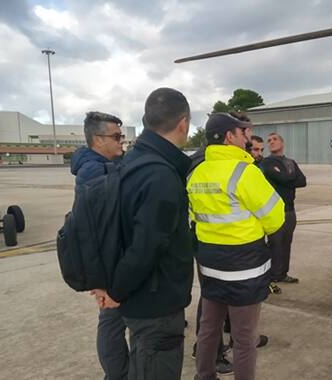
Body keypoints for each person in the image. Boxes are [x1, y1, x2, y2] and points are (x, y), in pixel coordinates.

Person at [94, 87, 195, 380]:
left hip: (140, 302)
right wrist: (116, 291)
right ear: (183, 123)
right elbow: (145, 247)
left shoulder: (132, 161)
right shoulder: (161, 174)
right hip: (156, 305)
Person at [188, 112, 285, 380]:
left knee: (209, 328)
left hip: (210, 267)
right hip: (245, 269)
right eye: (243, 133)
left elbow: (196, 218)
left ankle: (204, 375)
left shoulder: (197, 172)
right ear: (229, 137)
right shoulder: (245, 172)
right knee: (244, 338)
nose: (247, 138)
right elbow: (276, 218)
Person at [71, 111, 127, 380]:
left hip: (114, 260)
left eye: (121, 135)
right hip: (109, 266)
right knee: (112, 323)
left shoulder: (106, 165)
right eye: (115, 136)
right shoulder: (94, 172)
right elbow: (90, 232)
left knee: (112, 323)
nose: (121, 141)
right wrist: (100, 282)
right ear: (97, 139)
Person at [262, 133, 306, 284]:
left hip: (290, 210)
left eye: (274, 139)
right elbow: (283, 178)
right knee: (275, 244)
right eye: (269, 140)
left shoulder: (290, 162)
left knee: (286, 243)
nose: (271, 142)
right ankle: (271, 276)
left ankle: (282, 273)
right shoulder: (266, 162)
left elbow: (303, 181)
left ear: (282, 142)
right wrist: (289, 177)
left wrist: (286, 177)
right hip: (275, 211)